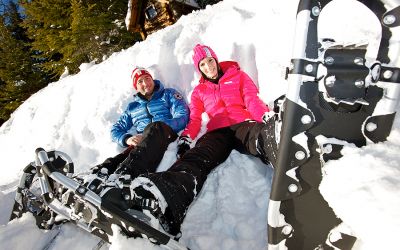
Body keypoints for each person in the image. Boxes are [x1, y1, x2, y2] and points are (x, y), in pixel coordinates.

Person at [125, 44, 278, 236]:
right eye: (203, 65)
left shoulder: (238, 76)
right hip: (217, 130)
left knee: (259, 137)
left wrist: (264, 115)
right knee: (197, 156)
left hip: (241, 123)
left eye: (210, 61)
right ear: (199, 69)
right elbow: (195, 118)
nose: (208, 67)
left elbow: (251, 99)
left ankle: (282, 151)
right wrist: (188, 137)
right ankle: (168, 193)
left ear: (215, 59)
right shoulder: (199, 91)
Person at [91, 67, 190, 179]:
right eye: (140, 81)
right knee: (122, 157)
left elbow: (183, 115)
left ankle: (125, 175)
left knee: (154, 128)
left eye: (147, 78)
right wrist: (127, 139)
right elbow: (116, 129)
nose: (145, 83)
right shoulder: (132, 108)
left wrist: (161, 126)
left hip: (165, 135)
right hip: (143, 144)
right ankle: (96, 175)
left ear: (152, 79)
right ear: (136, 87)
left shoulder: (168, 94)